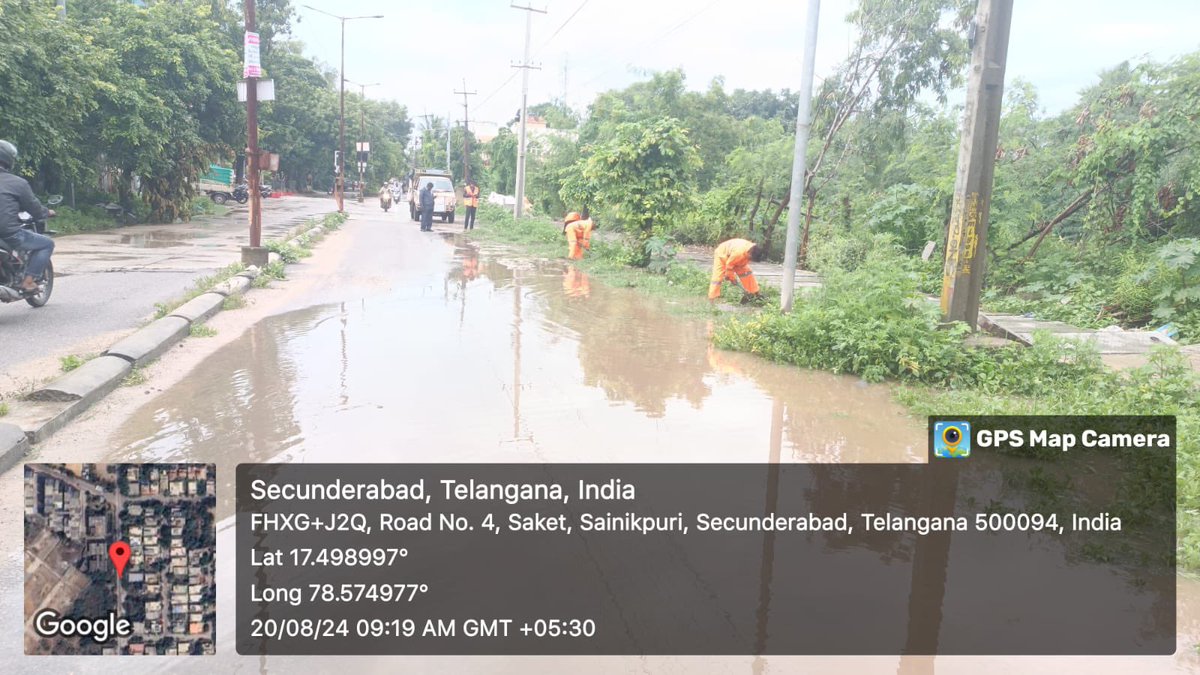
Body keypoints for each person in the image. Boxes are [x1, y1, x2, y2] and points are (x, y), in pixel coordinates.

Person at [0, 140, 54, 293]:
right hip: (8, 234)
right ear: (8, 159)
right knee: (47, 244)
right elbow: (34, 208)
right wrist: (47, 212)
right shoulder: (18, 183)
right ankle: (28, 281)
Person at [709, 238, 761, 304]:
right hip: (722, 254)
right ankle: (712, 299)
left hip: (735, 257)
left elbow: (739, 264)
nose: (750, 260)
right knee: (717, 278)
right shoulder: (738, 253)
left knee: (747, 273)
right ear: (750, 253)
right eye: (750, 258)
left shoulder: (751, 249)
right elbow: (729, 266)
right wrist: (732, 278)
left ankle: (755, 292)